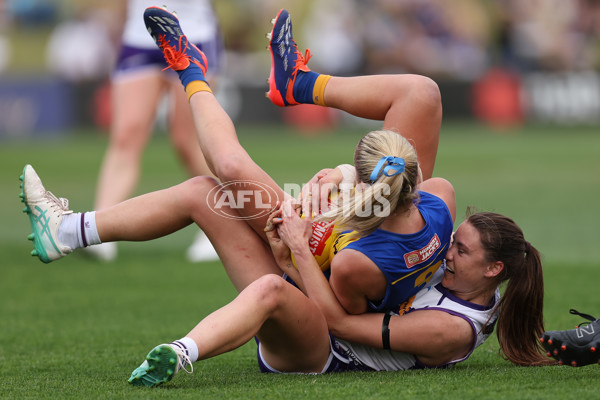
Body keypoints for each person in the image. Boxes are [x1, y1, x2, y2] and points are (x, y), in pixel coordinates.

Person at [19, 6, 553, 387]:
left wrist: (294, 246)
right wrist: (343, 178)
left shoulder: (444, 327)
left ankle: (190, 73)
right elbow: (418, 203)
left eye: (458, 252)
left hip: (323, 341)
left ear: (492, 271)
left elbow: (341, 321)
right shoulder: (437, 208)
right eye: (454, 240)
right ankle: (67, 230)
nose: (447, 250)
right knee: (419, 94)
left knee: (233, 188)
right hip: (349, 262)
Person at [86, 0, 222, 262]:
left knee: (187, 140)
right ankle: (99, 228)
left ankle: (220, 222)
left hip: (193, 34)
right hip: (139, 34)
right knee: (126, 136)